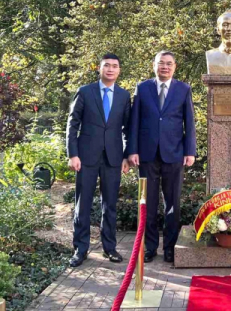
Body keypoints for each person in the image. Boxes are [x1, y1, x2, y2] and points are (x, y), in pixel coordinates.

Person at [127, 51, 196, 263]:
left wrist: (190, 151)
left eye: (169, 64)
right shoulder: (143, 88)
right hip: (147, 155)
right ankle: (150, 247)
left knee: (172, 203)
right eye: (160, 63)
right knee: (147, 203)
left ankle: (169, 248)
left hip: (174, 154)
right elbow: (134, 122)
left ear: (175, 67)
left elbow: (189, 122)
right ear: (153, 65)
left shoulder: (183, 89)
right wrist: (132, 150)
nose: (164, 67)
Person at [66, 53, 131, 267]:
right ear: (99, 68)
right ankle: (80, 249)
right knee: (82, 203)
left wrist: (125, 156)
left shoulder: (123, 96)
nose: (110, 69)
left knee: (109, 205)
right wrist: (72, 154)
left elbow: (127, 129)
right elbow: (72, 124)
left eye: (114, 66)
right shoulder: (85, 92)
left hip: (113, 158)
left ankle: (109, 248)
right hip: (85, 157)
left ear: (119, 70)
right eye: (107, 66)